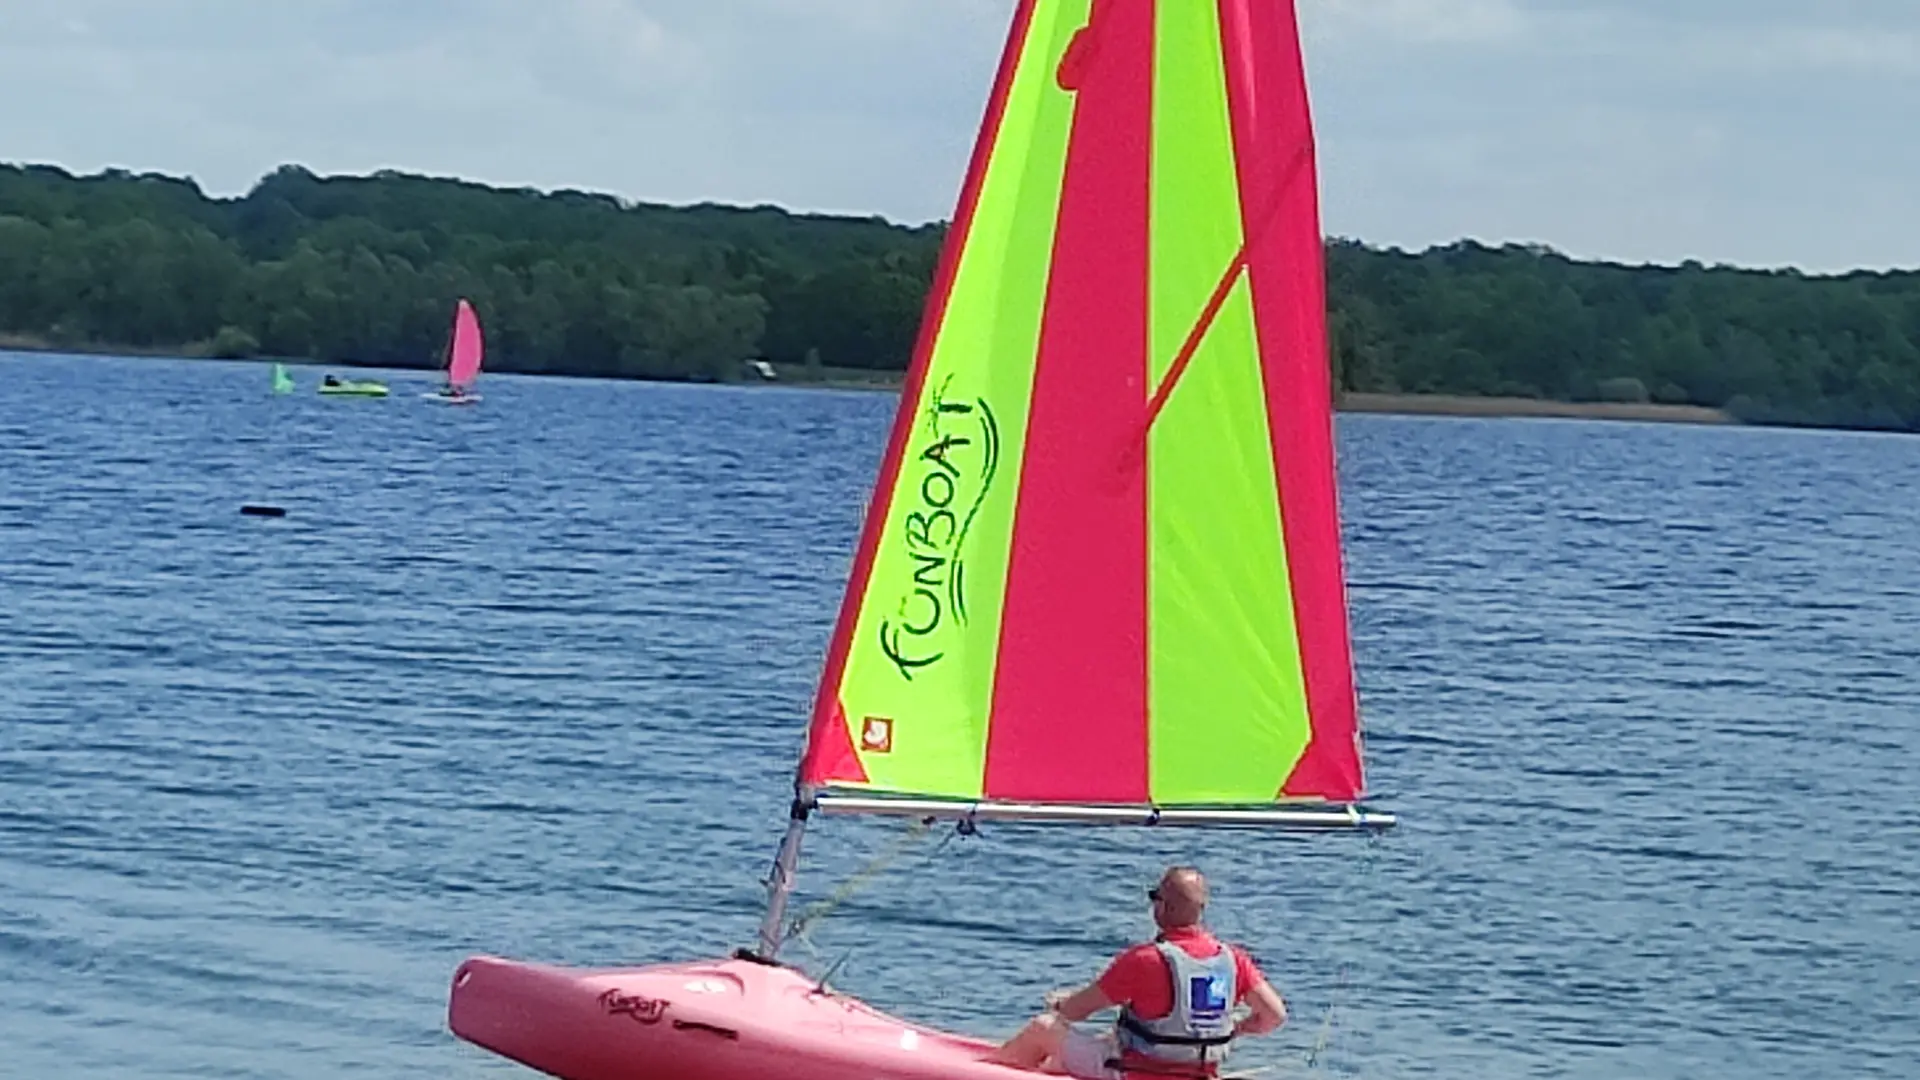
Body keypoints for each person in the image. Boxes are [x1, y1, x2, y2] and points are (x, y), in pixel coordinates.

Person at [988, 866, 1287, 1080]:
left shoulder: (1144, 959)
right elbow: (1274, 1016)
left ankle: (978, 1073)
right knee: (1100, 1041)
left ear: (1163, 907)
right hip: (1199, 1072)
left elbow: (1075, 1011)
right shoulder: (1233, 959)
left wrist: (1060, 1002)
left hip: (1136, 1073)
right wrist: (1237, 1028)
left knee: (1044, 1027)